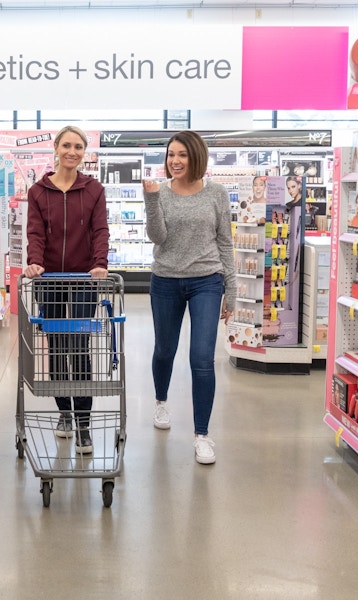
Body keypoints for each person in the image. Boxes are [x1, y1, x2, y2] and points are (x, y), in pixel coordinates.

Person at [142, 130, 235, 465]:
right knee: (165, 349)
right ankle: (161, 402)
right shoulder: (161, 193)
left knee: (202, 358)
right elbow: (158, 236)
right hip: (165, 278)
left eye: (181, 154)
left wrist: (232, 290)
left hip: (206, 282)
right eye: (171, 155)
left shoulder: (217, 193)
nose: (175, 161)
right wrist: (151, 200)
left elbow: (225, 241)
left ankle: (202, 435)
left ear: (196, 156)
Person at [24, 125, 109, 455]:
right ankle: (64, 414)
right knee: (57, 347)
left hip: (84, 280)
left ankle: (84, 424)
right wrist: (34, 262)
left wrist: (99, 263)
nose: (72, 151)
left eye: (79, 147)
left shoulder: (93, 189)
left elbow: (100, 229)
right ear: (56, 148)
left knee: (80, 346)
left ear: (83, 152)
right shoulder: (38, 192)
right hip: (49, 280)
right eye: (67, 145)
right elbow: (36, 233)